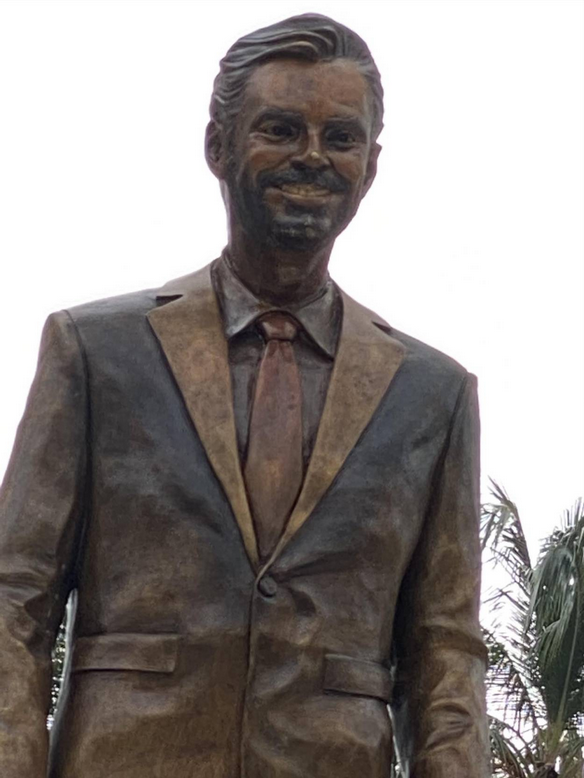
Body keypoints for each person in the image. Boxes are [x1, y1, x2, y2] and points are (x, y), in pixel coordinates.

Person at [0, 13, 490, 778]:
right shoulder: (94, 351)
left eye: (341, 137)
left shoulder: (435, 394)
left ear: (372, 165)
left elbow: (445, 650)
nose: (312, 157)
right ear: (218, 145)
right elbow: (14, 602)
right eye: (281, 128)